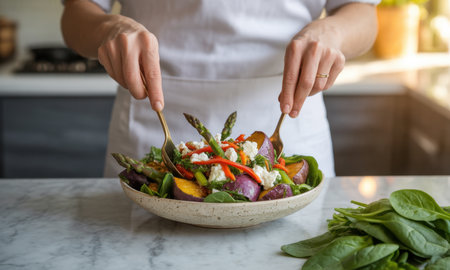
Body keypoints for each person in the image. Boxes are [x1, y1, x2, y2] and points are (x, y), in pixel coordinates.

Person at [61, 0, 379, 178]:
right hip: (152, 126)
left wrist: (333, 31)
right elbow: (77, 13)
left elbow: (362, 11)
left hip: (287, 125)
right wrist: (109, 28)